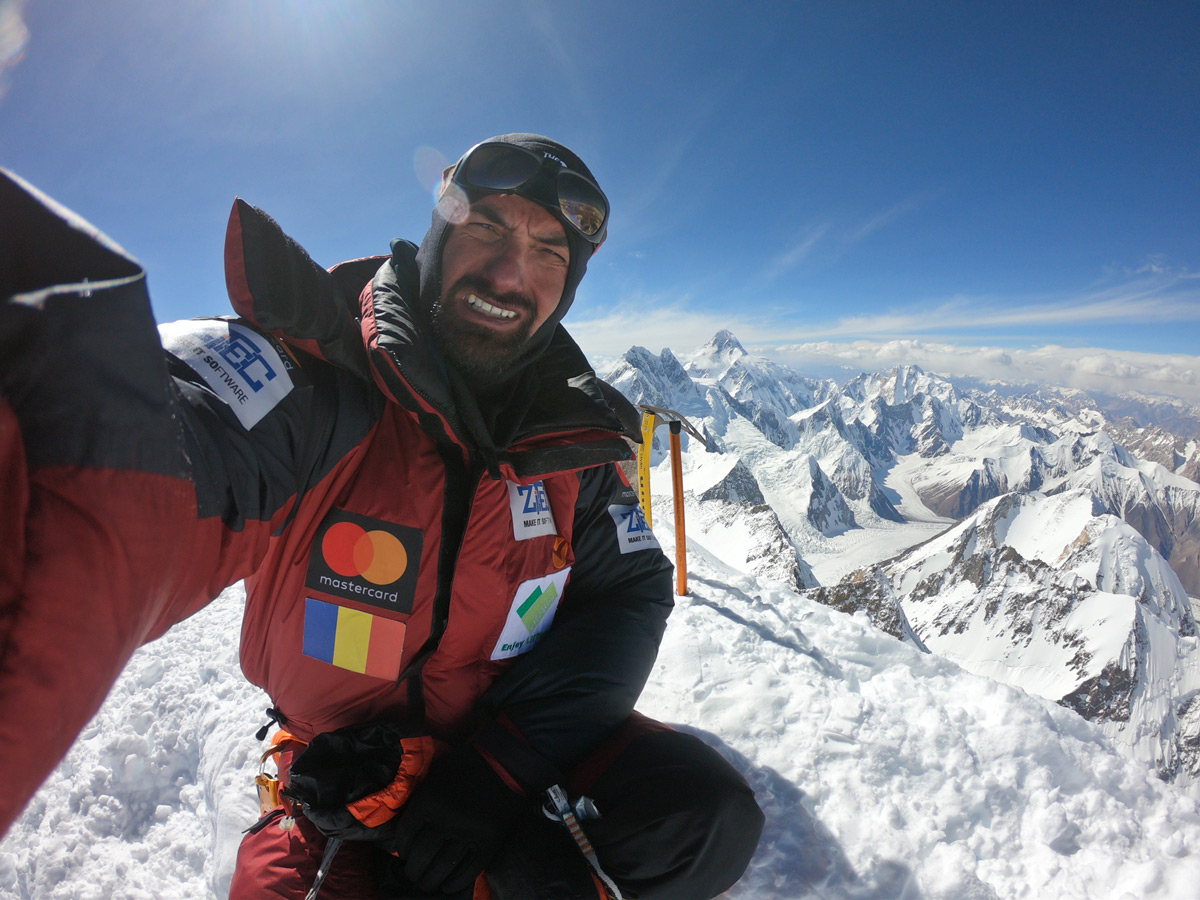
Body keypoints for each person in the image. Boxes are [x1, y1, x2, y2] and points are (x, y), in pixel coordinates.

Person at [0, 134, 764, 899]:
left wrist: (501, 771)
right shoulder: (317, 379)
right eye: (488, 230)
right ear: (438, 236)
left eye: (547, 254)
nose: (509, 274)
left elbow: (629, 590)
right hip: (344, 784)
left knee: (704, 818)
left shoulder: (576, 442)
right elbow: (138, 456)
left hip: (506, 749)